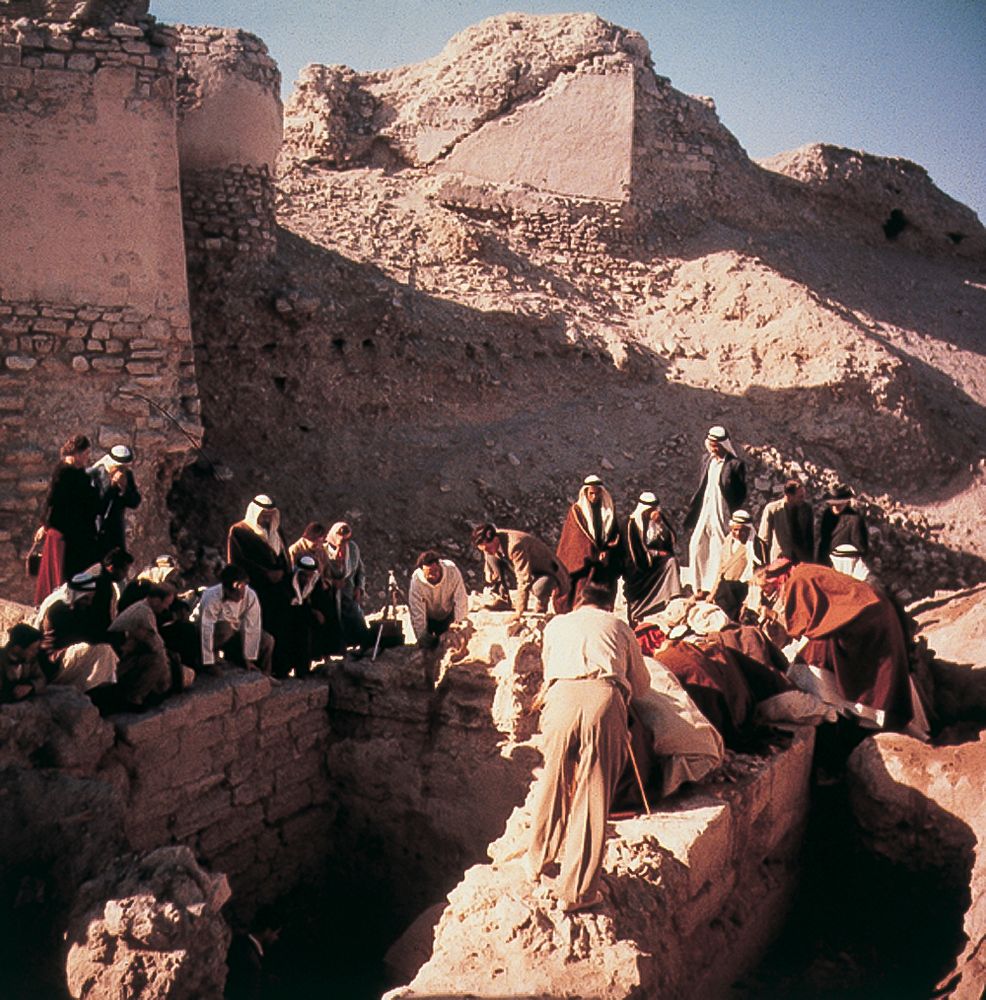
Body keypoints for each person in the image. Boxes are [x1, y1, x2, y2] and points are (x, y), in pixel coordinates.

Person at [525, 581, 651, 912]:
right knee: (593, 791)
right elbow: (642, 686)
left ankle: (538, 862)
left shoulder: (556, 625)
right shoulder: (618, 626)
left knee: (554, 781)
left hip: (559, 698)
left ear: (578, 602)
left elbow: (549, 669)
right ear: (609, 604)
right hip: (602, 699)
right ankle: (577, 891)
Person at [756, 562, 926, 736]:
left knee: (814, 660)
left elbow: (801, 625)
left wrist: (772, 615)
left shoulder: (797, 580)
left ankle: (852, 716)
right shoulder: (805, 570)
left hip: (866, 622)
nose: (765, 592)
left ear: (776, 579)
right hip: (874, 613)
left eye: (764, 587)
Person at [228, 495, 292, 672]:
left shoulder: (276, 531)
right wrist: (266, 574)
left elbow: (285, 557)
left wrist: (283, 573)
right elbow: (237, 562)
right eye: (264, 515)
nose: (267, 519)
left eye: (270, 515)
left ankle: (281, 670)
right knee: (259, 629)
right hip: (256, 590)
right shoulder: (239, 531)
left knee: (282, 629)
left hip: (279, 590)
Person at [683, 425, 747, 597]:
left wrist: (732, 511)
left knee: (719, 544)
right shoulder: (707, 460)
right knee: (697, 543)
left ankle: (715, 587)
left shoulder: (735, 465)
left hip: (722, 507)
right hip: (706, 506)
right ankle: (698, 586)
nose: (713, 448)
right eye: (711, 444)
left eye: (716, 445)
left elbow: (741, 492)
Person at [35, 434, 101, 602]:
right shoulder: (66, 475)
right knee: (64, 575)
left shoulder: (75, 473)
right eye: (85, 454)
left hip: (70, 533)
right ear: (77, 453)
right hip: (66, 536)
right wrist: (46, 524)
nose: (87, 458)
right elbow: (53, 501)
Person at [34, 571, 118, 690]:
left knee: (105, 650)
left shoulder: (82, 609)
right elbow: (80, 637)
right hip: (55, 661)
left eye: (90, 598)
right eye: (85, 598)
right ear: (76, 596)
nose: (89, 602)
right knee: (99, 650)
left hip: (67, 653)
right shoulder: (59, 611)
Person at [101, 583, 177, 710]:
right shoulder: (143, 613)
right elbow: (157, 646)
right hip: (117, 663)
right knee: (158, 661)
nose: (166, 608)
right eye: (166, 604)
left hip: (123, 656)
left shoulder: (144, 608)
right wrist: (165, 681)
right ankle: (135, 698)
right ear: (157, 600)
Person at [555, 475, 623, 612]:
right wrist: (593, 554)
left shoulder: (608, 511)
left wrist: (607, 550)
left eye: (597, 493)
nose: (594, 497)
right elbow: (576, 540)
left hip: (603, 564)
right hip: (584, 563)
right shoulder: (577, 512)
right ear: (585, 492)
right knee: (580, 592)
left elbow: (614, 534)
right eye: (591, 493)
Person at [471, 523, 570, 617]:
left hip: (546, 572)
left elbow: (524, 579)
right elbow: (488, 554)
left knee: (539, 588)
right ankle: (503, 599)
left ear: (495, 539)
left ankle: (541, 605)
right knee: (491, 557)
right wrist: (489, 572)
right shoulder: (493, 541)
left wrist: (519, 610)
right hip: (528, 567)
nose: (487, 552)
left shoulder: (515, 545)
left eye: (488, 548)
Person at [192, 564, 274, 674]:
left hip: (237, 633)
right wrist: (208, 661)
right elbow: (206, 629)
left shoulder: (250, 596)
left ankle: (265, 674)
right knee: (225, 628)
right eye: (237, 594)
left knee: (267, 640)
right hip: (215, 635)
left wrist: (248, 658)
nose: (241, 596)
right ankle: (209, 661)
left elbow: (252, 626)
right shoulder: (211, 597)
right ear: (226, 590)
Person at [622, 491, 682, 625]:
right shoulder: (630, 525)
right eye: (649, 510)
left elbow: (670, 541)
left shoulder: (658, 521)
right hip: (639, 566)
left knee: (671, 562)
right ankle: (639, 612)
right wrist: (655, 554)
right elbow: (633, 552)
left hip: (655, 563)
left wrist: (661, 525)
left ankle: (671, 599)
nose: (652, 513)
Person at [324, 522, 372, 654]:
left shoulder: (353, 548)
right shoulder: (323, 550)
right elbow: (319, 574)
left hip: (348, 592)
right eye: (342, 539)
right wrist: (332, 582)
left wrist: (359, 587)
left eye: (347, 539)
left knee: (356, 619)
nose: (345, 542)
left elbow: (360, 570)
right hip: (330, 595)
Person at [711, 510, 767, 620]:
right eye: (735, 530)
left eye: (742, 531)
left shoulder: (757, 545)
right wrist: (713, 593)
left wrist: (749, 602)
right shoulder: (728, 541)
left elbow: (761, 574)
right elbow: (720, 569)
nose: (738, 534)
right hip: (724, 591)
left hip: (742, 592)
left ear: (748, 529)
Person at [408, 550, 468, 648]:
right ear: (422, 571)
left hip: (448, 615)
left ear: (439, 566)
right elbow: (417, 611)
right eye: (429, 573)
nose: (433, 576)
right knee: (429, 647)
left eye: (435, 571)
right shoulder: (416, 581)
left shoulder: (451, 571)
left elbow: (461, 599)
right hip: (429, 618)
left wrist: (458, 624)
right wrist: (421, 636)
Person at [89, 444, 141, 558]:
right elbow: (97, 506)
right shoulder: (95, 475)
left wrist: (124, 488)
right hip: (98, 527)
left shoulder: (127, 475)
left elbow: (134, 502)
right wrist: (112, 486)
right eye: (119, 467)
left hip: (116, 529)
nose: (121, 470)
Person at [284, 554, 328, 677]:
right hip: (288, 618)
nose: (307, 579)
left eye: (309, 575)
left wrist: (316, 611)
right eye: (304, 575)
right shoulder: (288, 582)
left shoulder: (315, 582)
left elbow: (319, 600)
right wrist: (310, 611)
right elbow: (288, 604)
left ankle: (304, 669)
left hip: (304, 617)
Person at [758, 479, 814, 564]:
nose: (803, 499)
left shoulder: (806, 509)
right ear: (789, 496)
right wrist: (764, 563)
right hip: (780, 560)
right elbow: (763, 539)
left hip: (801, 561)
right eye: (800, 497)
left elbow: (810, 538)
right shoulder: (772, 509)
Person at [817, 484, 869, 566]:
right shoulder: (827, 515)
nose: (835, 508)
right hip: (826, 563)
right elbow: (823, 540)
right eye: (833, 505)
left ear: (846, 503)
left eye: (839, 505)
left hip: (845, 565)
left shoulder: (855, 520)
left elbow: (861, 548)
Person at [0, 624, 46, 703]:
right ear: (17, 648)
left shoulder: (30, 660)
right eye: (32, 649)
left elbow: (42, 679)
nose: (36, 652)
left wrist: (31, 686)